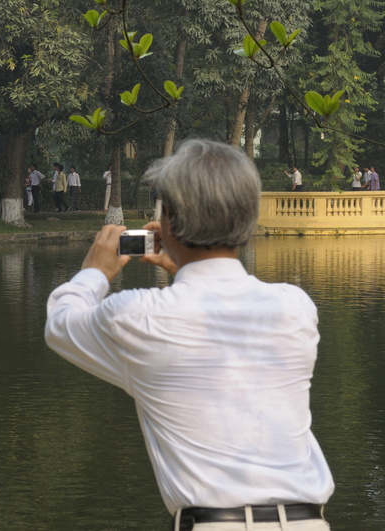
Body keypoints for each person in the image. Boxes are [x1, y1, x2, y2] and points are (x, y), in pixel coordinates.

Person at [45, 139, 334, 531]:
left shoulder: (138, 316)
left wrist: (95, 270)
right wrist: (186, 268)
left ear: (169, 222)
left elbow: (61, 324)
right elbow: (220, 310)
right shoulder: (296, 308)